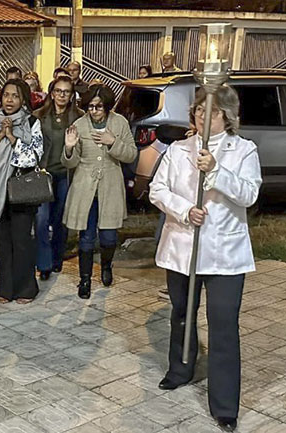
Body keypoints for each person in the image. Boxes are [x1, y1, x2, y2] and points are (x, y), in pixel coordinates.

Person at [148, 86, 260, 433]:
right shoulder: (179, 149)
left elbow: (249, 193)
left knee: (224, 326)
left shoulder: (243, 150)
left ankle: (225, 404)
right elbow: (157, 190)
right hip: (183, 248)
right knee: (181, 314)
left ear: (226, 116)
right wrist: (184, 210)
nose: (201, 115)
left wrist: (216, 170)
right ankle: (181, 369)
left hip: (225, 255)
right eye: (198, 109)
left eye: (209, 111)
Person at [62, 84, 137, 299]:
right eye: (90, 107)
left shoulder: (119, 122)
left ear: (107, 106)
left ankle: (106, 266)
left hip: (110, 185)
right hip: (85, 186)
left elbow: (131, 155)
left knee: (108, 236)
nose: (94, 111)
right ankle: (84, 279)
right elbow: (70, 163)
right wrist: (68, 147)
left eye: (99, 107)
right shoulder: (79, 124)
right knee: (85, 237)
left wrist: (113, 142)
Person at [0, 79, 43, 304]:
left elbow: (33, 157)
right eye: (6, 95)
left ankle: (26, 289)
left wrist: (13, 136)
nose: (10, 100)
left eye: (15, 96)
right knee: (3, 241)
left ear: (23, 99)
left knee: (22, 240)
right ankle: (6, 288)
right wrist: (2, 133)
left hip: (20, 189)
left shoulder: (32, 122)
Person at [33, 77, 82, 280]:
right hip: (43, 173)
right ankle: (43, 263)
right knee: (41, 219)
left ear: (72, 95)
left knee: (60, 219)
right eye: (59, 91)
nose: (62, 95)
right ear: (52, 93)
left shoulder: (79, 118)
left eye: (67, 91)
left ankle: (56, 258)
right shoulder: (38, 116)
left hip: (66, 173)